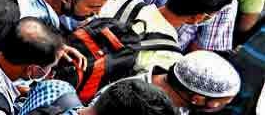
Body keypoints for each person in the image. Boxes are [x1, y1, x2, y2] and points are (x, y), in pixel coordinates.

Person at [98, 51, 240, 115]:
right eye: (221, 103)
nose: (220, 107)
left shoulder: (178, 100)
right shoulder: (127, 100)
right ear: (197, 99)